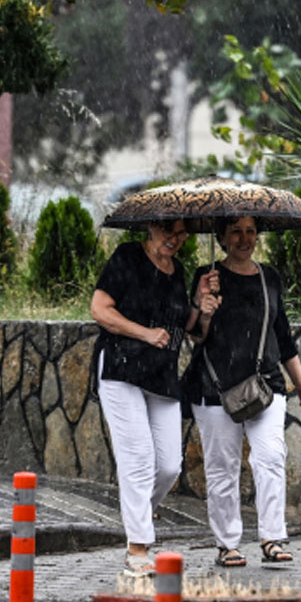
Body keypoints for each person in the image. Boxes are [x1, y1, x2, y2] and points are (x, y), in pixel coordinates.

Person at [182, 216, 301, 568]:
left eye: (250, 231)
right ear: (222, 238)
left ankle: (272, 537)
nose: (244, 239)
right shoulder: (206, 277)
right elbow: (195, 336)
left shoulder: (268, 277)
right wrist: (204, 307)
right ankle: (227, 544)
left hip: (265, 386)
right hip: (215, 389)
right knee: (222, 467)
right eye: (235, 231)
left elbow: (282, 335)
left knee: (271, 457)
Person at [90, 219, 219, 577]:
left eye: (181, 234)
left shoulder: (178, 271)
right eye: (168, 231)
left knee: (168, 466)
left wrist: (202, 308)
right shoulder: (127, 256)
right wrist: (145, 334)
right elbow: (100, 310)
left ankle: (137, 520)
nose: (174, 239)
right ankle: (137, 552)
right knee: (139, 459)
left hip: (161, 376)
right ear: (150, 226)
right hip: (121, 368)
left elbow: (192, 331)